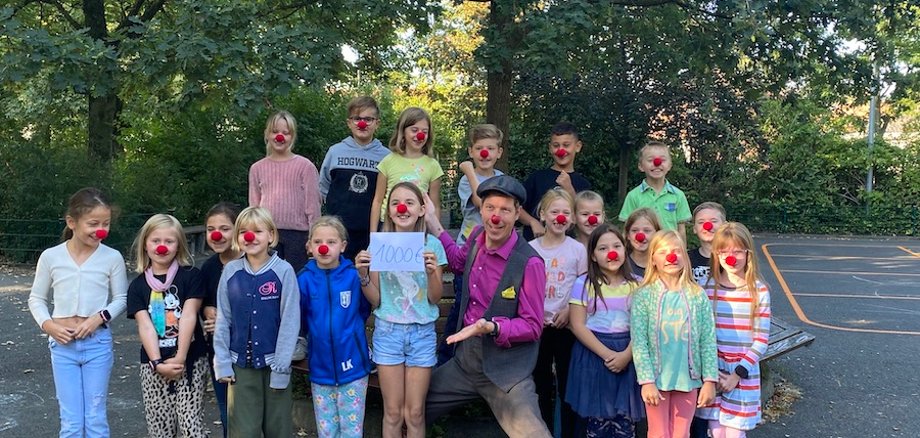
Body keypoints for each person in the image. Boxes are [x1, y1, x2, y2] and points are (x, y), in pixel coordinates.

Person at [422, 175, 552, 438]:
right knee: (412, 407)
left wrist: (492, 326)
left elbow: (533, 326)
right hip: (465, 362)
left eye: (505, 210)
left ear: (517, 215)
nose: (496, 217)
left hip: (506, 371)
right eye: (490, 208)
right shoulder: (478, 236)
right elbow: (458, 262)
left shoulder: (530, 263)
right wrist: (434, 222)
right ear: (481, 210)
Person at [28, 188, 127, 437]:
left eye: (106, 224)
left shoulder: (111, 257)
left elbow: (121, 299)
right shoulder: (51, 257)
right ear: (71, 222)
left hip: (97, 345)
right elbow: (36, 299)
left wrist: (98, 318)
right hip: (62, 347)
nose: (101, 230)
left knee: (95, 419)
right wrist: (48, 325)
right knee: (71, 422)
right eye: (93, 224)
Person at [356, 182, 446, 438]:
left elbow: (435, 298)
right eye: (395, 203)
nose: (402, 207)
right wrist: (362, 275)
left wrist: (431, 273)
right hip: (388, 333)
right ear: (388, 211)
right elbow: (376, 299)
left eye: (408, 202)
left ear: (420, 210)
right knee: (393, 412)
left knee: (415, 413)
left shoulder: (433, 246)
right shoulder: (378, 246)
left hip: (422, 335)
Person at [213, 207, 300, 438]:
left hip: (274, 367)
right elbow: (223, 319)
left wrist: (281, 367)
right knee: (243, 432)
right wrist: (222, 361)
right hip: (240, 368)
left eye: (257, 231)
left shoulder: (284, 271)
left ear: (271, 235)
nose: (250, 237)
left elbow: (290, 321)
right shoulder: (230, 271)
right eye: (243, 232)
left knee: (278, 430)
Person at [630, 230, 718, 438]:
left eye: (677, 251)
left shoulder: (697, 295)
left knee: (681, 433)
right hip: (657, 380)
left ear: (685, 257)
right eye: (663, 252)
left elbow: (707, 340)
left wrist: (710, 380)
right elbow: (639, 341)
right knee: (658, 433)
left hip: (688, 378)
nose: (672, 256)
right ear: (653, 259)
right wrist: (647, 381)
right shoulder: (644, 296)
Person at [126, 214, 207, 437]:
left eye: (169, 241)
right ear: (145, 243)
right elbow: (145, 327)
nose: (162, 247)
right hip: (153, 366)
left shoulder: (191, 276)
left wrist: (180, 357)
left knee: (191, 425)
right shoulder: (137, 286)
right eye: (156, 241)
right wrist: (157, 362)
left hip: (190, 362)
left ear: (178, 244)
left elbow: (189, 316)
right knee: (160, 428)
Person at [565, 224, 644, 438]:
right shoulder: (584, 283)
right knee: (596, 422)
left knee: (625, 423)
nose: (611, 252)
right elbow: (577, 324)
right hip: (594, 355)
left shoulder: (638, 285)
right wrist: (608, 355)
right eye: (603, 248)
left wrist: (626, 355)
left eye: (617, 246)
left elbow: (643, 325)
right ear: (592, 255)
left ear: (624, 249)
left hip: (628, 352)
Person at [299, 216, 373, 438]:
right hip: (320, 369)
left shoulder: (353, 276)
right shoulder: (303, 279)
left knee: (351, 431)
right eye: (318, 241)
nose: (324, 247)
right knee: (327, 431)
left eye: (331, 242)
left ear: (343, 246)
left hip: (354, 368)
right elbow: (301, 317)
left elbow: (363, 309)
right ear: (309, 246)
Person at [695, 223, 771, 438]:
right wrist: (710, 373)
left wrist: (736, 375)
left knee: (735, 434)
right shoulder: (707, 287)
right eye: (724, 251)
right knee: (715, 431)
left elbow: (761, 341)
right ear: (716, 254)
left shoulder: (759, 291)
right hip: (714, 371)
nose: (731, 257)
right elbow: (701, 333)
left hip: (742, 373)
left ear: (748, 254)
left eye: (738, 251)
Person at [438, 123, 505, 366]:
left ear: (499, 152)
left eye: (490, 148)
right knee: (461, 307)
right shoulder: (467, 180)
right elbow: (481, 202)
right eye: (479, 148)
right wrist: (468, 171)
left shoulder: (502, 180)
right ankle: (446, 360)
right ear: (471, 151)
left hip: (493, 253)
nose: (484, 153)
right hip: (469, 251)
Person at [528, 188, 587, 437]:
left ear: (572, 218)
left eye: (565, 213)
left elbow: (584, 286)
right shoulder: (530, 248)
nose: (560, 217)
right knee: (540, 384)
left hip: (567, 326)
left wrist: (568, 310)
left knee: (568, 384)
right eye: (554, 212)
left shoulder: (577, 250)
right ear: (542, 215)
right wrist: (534, 314)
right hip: (537, 328)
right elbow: (524, 288)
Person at [319, 96, 390, 261]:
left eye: (368, 119)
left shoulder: (386, 157)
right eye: (357, 118)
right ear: (349, 123)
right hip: (338, 232)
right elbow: (323, 187)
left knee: (368, 279)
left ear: (377, 123)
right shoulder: (335, 152)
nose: (362, 123)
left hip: (372, 232)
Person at [249, 110, 321, 271]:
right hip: (268, 234)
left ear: (292, 136)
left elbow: (313, 204)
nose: (279, 136)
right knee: (269, 280)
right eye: (275, 132)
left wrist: (315, 236)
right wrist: (254, 233)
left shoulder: (305, 166)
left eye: (285, 133)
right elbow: (254, 206)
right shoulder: (257, 168)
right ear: (267, 134)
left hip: (298, 236)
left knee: (297, 280)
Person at [198, 202, 241, 437]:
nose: (216, 234)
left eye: (224, 228)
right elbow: (203, 302)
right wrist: (206, 310)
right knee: (227, 415)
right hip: (219, 355)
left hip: (248, 354)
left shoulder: (251, 262)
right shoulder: (208, 268)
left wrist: (225, 320)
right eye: (211, 228)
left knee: (249, 416)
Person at [369, 107, 444, 232]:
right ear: (403, 132)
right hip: (388, 225)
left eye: (424, 132)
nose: (420, 135)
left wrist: (436, 235)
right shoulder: (387, 161)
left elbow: (435, 205)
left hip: (418, 225)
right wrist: (373, 234)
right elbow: (377, 201)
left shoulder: (433, 165)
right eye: (414, 130)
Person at [521, 122, 592, 241]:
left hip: (566, 251)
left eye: (566, 145)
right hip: (534, 248)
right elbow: (518, 208)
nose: (561, 150)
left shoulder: (583, 184)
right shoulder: (537, 178)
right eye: (556, 145)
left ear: (578, 146)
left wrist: (569, 189)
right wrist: (533, 222)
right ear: (550, 148)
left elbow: (584, 217)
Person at [618, 141, 691, 241]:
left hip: (669, 251)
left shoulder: (678, 195)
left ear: (670, 165)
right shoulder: (633, 196)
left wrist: (683, 254)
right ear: (641, 166)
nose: (657, 163)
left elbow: (681, 230)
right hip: (642, 250)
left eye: (663, 160)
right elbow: (627, 230)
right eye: (650, 160)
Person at [687, 202, 727, 287]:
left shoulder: (736, 257)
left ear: (725, 225)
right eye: (701, 222)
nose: (707, 226)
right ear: (694, 228)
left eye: (714, 221)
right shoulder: (686, 259)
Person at [624, 208, 662, 280]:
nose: (640, 236)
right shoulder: (622, 265)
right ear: (628, 235)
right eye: (634, 230)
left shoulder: (664, 264)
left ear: (657, 233)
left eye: (647, 231)